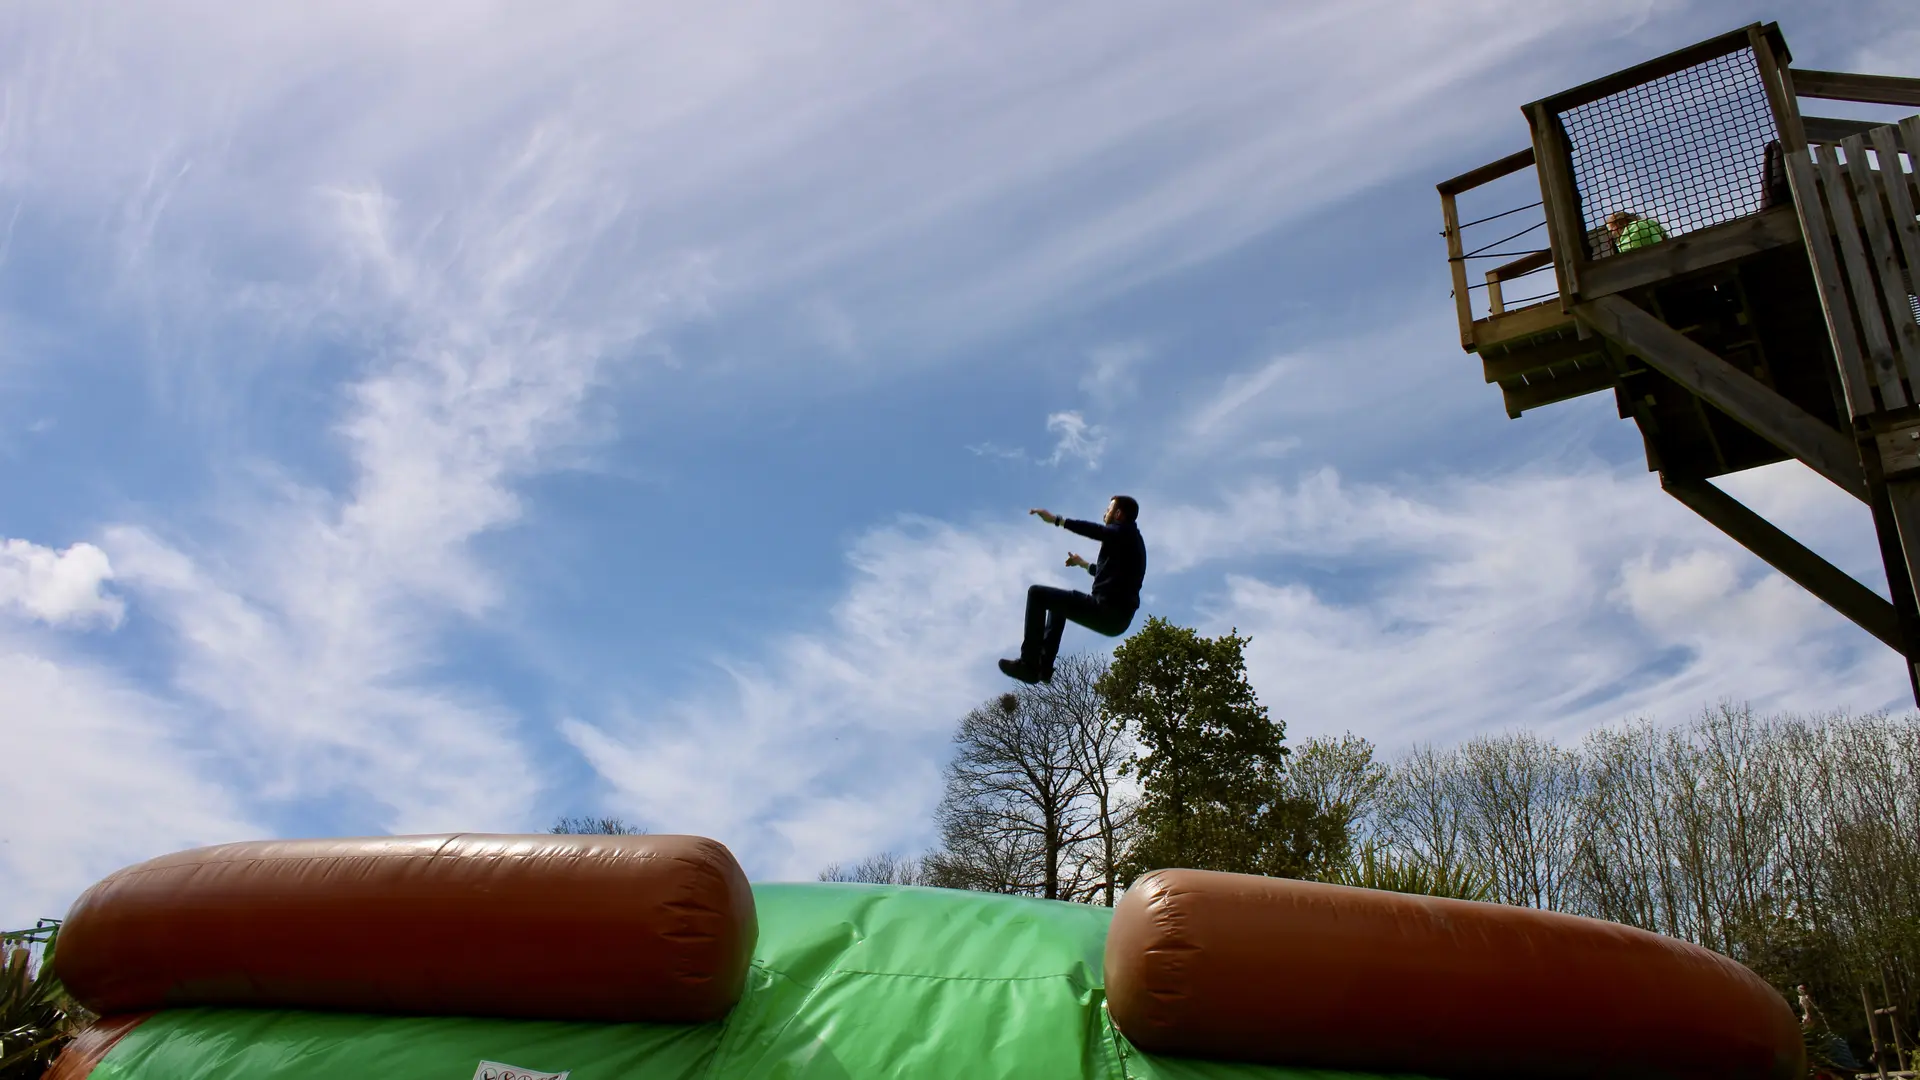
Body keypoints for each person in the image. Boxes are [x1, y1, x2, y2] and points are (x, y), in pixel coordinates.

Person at [999, 496, 1145, 684]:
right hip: (1115, 618)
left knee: (1037, 594)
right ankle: (1043, 668)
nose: (1104, 513)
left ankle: (1029, 664)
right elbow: (1107, 573)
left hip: (1107, 612)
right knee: (1056, 604)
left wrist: (1056, 520)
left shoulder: (1124, 533)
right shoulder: (1129, 542)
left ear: (1118, 514)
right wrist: (1083, 564)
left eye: (1108, 509)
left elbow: (1096, 531)